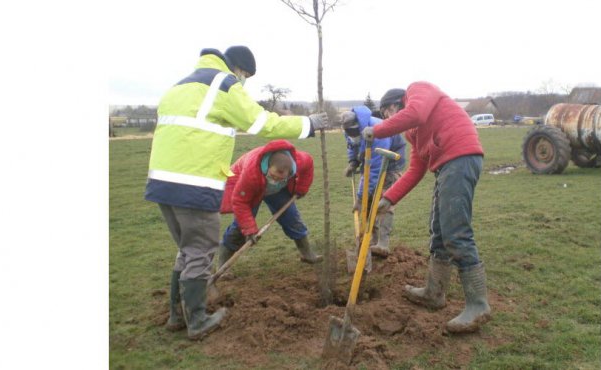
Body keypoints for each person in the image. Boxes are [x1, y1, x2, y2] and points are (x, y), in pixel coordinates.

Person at [144, 45, 329, 340]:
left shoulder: (182, 85)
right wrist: (308, 123)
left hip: (162, 182)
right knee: (200, 252)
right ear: (240, 70)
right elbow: (262, 122)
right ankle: (198, 320)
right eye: (246, 76)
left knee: (187, 250)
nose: (244, 81)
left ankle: (177, 317)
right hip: (195, 182)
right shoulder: (224, 84)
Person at [362, 83, 490, 333]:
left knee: (455, 232)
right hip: (447, 167)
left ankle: (478, 304)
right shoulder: (415, 134)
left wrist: (377, 130)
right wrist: (387, 199)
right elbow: (415, 170)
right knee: (439, 231)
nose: (390, 120)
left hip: (460, 158)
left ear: (394, 105)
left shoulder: (418, 90)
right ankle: (434, 293)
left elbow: (416, 113)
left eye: (387, 113)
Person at [218, 139, 322, 266]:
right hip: (250, 189)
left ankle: (307, 254)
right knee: (240, 227)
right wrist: (249, 229)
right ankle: (222, 265)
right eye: (273, 176)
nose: (276, 179)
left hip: (276, 191)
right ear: (268, 166)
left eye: (281, 178)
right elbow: (240, 202)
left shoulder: (299, 160)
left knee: (292, 218)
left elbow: (309, 165)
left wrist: (301, 189)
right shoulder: (251, 173)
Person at [340, 105, 406, 257]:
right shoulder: (350, 129)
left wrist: (360, 197)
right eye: (348, 132)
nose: (351, 134)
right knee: (368, 201)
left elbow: (375, 170)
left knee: (384, 199)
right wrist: (353, 162)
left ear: (360, 125)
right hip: (373, 158)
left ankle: (383, 243)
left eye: (354, 132)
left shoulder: (378, 132)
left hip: (390, 162)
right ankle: (372, 240)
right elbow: (352, 145)